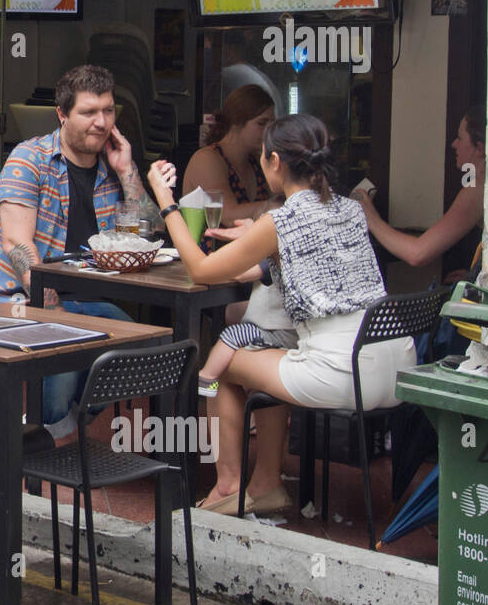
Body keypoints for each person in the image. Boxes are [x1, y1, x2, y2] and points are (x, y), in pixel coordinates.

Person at [146, 114, 416, 514]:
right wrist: (255, 240)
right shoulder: (350, 210)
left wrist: (167, 203)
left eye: (262, 159)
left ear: (274, 161)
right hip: (396, 366)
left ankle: (228, 485)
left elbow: (201, 270)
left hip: (341, 373)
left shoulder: (282, 219)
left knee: (222, 367)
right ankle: (266, 483)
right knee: (260, 362)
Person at [0, 64, 159, 435]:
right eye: (89, 112)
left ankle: (49, 429)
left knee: (141, 353)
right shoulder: (30, 161)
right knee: (66, 356)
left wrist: (126, 171)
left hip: (83, 300)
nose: (101, 123)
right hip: (14, 297)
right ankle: (41, 437)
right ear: (62, 114)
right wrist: (56, 314)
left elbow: (150, 233)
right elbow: (16, 244)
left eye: (108, 111)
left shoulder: (109, 166)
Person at [352, 106, 485, 282]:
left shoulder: (477, 190)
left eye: (460, 138)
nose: (454, 144)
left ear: (479, 148)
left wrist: (370, 217)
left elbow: (417, 254)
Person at [196, 264, 297, 397]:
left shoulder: (274, 255)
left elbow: (243, 273)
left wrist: (217, 264)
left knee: (231, 335)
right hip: (292, 331)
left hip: (279, 331)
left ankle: (207, 377)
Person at [182, 84, 278, 223]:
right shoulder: (207, 159)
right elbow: (227, 215)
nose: (268, 131)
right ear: (237, 122)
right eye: (261, 123)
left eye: (272, 124)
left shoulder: (257, 160)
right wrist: (277, 207)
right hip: (212, 244)